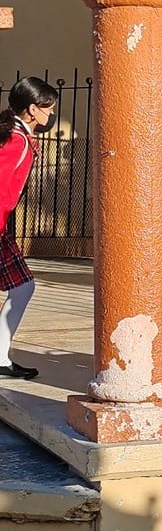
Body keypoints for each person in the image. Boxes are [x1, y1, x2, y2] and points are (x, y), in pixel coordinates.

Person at [0, 77, 58, 380]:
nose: (51, 115)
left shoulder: (14, 134)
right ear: (33, 110)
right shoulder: (16, 140)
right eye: (48, 109)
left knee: (23, 285)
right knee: (23, 285)